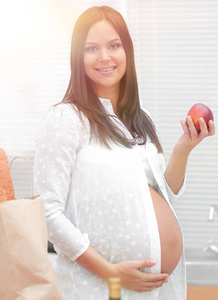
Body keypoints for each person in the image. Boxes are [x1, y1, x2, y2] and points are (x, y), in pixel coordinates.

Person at [33, 6, 215, 300]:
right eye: (92, 48)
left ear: (126, 51)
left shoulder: (141, 120)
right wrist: (110, 271)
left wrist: (184, 148)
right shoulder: (66, 119)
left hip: (159, 291)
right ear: (78, 58)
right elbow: (47, 214)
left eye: (114, 45)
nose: (105, 56)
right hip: (102, 288)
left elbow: (162, 194)